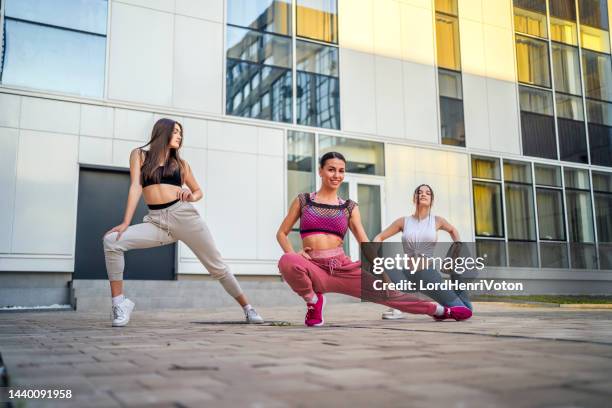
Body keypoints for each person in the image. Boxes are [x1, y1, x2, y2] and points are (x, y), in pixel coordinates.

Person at [103, 118, 264, 327]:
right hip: (156, 221)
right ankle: (119, 304)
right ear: (163, 132)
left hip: (184, 217)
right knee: (112, 241)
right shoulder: (140, 155)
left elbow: (198, 192)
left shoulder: (181, 165)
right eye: (176, 131)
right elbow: (135, 187)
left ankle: (248, 308)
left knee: (217, 267)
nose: (179, 136)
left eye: (181, 133)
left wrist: (191, 195)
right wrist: (126, 222)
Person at [276, 152, 458, 327]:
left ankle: (441, 311)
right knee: (287, 260)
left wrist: (384, 276)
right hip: (313, 266)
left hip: (342, 268)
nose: (336, 175)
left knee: (390, 295)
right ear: (320, 171)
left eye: (341, 171)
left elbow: (364, 243)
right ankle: (313, 301)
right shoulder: (304, 201)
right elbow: (281, 233)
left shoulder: (349, 207)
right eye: (331, 169)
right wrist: (295, 254)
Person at [374, 184, 473, 321]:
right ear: (414, 198)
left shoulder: (437, 221)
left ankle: (446, 302)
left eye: (427, 193)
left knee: (464, 311)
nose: (423, 194)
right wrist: (372, 250)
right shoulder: (403, 221)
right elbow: (380, 237)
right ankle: (397, 307)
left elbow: (453, 230)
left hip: (428, 276)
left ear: (432, 199)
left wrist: (457, 248)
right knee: (381, 268)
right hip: (407, 274)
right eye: (419, 192)